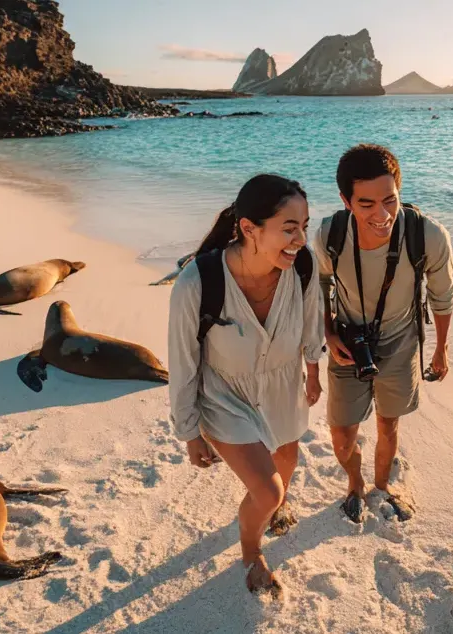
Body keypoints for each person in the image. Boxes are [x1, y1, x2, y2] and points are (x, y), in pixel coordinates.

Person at [167, 174, 325, 596]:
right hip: (225, 396)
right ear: (249, 228)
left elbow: (312, 320)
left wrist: (313, 369)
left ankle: (273, 507)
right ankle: (251, 551)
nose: (299, 239)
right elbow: (183, 364)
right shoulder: (198, 283)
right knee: (269, 488)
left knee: (286, 463)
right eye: (289, 228)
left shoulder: (303, 267)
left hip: (282, 386)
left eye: (305, 227)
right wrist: (189, 432)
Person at [313, 144, 453, 524]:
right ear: (345, 200)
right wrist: (329, 334)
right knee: (342, 434)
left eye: (390, 200)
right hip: (347, 342)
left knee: (388, 423)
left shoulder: (428, 236)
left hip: (400, 339)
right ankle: (354, 485)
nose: (382, 214)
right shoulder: (330, 234)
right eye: (367, 204)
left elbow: (443, 298)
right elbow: (319, 287)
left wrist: (441, 350)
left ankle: (381, 485)